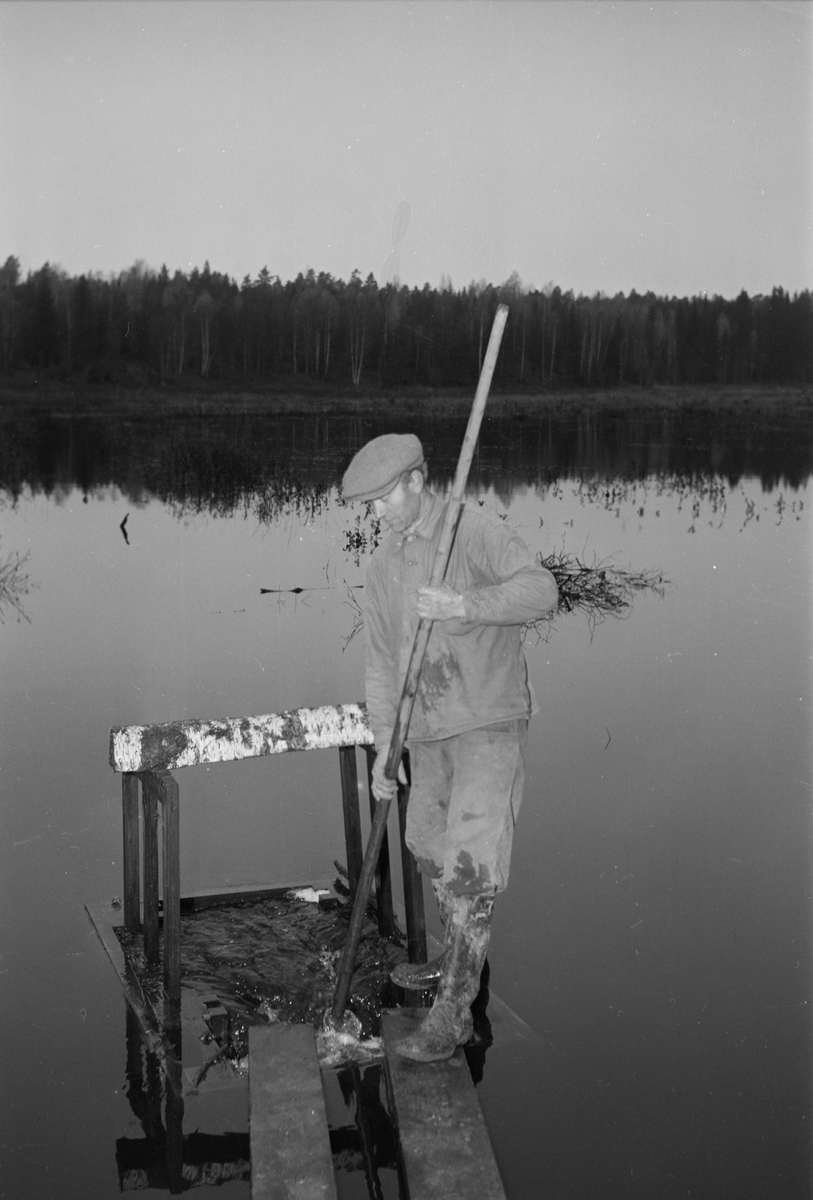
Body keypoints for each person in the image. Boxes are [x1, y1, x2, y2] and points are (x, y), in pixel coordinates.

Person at [341, 433, 558, 1062]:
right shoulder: (383, 566)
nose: (376, 513)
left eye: (383, 498)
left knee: (471, 866)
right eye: (370, 505)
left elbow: (541, 590)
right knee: (428, 847)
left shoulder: (474, 529)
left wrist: (468, 604)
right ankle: (455, 952)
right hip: (428, 733)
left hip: (489, 722)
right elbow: (383, 663)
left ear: (416, 481)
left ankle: (454, 1013)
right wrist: (387, 749)